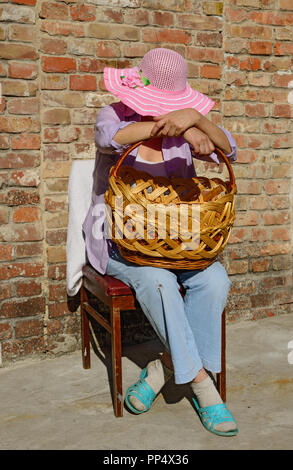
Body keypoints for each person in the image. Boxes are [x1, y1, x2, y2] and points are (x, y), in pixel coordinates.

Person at [82, 48, 238, 437]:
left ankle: (163, 369)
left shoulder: (190, 126)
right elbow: (109, 138)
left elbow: (231, 151)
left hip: (177, 242)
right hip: (122, 241)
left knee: (215, 280)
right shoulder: (115, 115)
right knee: (158, 281)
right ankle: (203, 386)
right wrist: (166, 125)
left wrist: (197, 120)